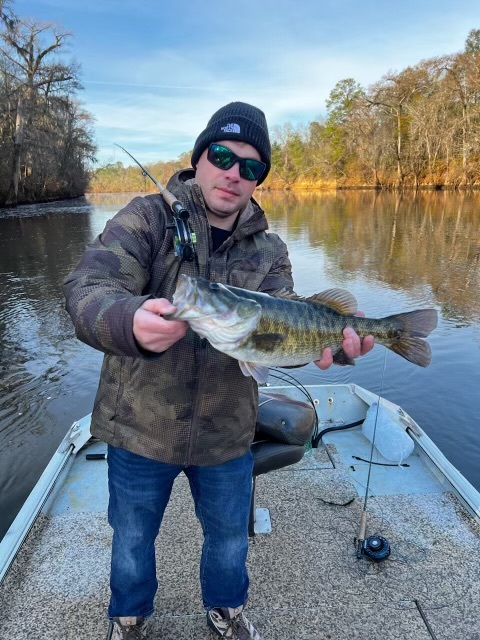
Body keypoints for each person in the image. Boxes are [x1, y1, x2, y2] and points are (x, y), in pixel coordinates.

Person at [63, 102, 374, 640]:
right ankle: (129, 616)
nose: (233, 173)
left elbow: (285, 333)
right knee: (132, 537)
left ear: (258, 181)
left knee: (229, 538)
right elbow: (85, 289)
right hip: (139, 427)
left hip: (228, 433)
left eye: (251, 167)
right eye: (223, 156)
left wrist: (337, 348)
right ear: (201, 158)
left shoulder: (271, 249)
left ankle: (225, 610)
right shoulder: (146, 218)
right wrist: (126, 320)